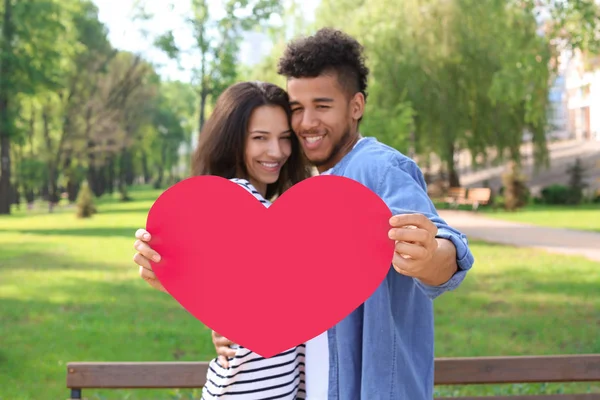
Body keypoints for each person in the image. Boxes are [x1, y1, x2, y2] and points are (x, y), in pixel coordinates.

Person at [135, 29, 475, 399]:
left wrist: (428, 255)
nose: (307, 122)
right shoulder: (304, 194)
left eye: (323, 106)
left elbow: (445, 254)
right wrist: (210, 303)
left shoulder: (380, 169)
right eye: (297, 108)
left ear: (356, 107)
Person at [134, 80, 312, 400]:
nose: (277, 151)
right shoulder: (240, 200)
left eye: (285, 139)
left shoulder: (252, 204)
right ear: (233, 141)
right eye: (260, 138)